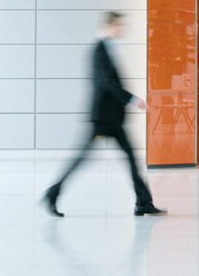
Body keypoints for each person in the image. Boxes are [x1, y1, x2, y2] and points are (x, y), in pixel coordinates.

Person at [43, 12, 166, 217]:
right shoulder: (98, 50)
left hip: (113, 119)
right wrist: (133, 100)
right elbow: (106, 83)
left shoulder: (108, 48)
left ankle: (144, 203)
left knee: (131, 159)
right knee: (82, 159)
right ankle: (52, 193)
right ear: (110, 25)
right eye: (120, 25)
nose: (122, 29)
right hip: (102, 119)